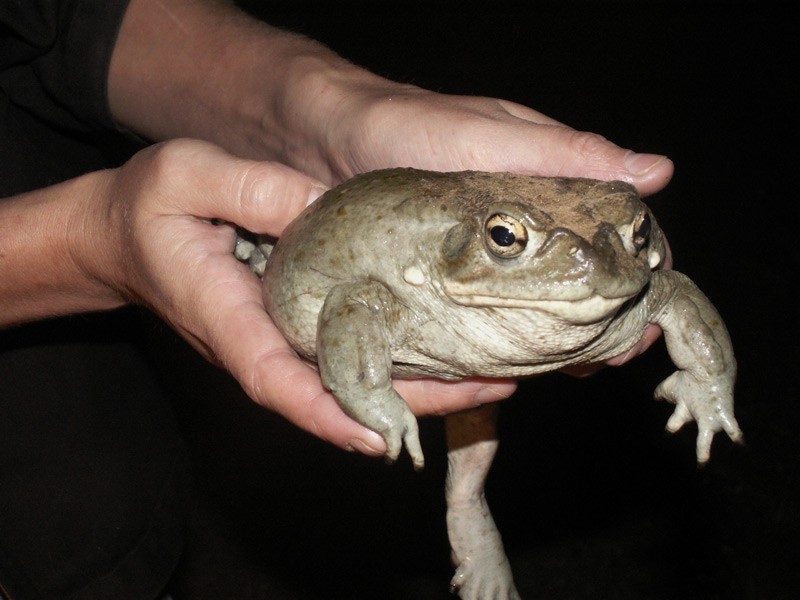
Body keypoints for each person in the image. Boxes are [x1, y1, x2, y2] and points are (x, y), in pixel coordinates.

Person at [0, 0, 674, 597]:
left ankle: (466, 502)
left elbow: (59, 18)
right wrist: (88, 241)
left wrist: (313, 104)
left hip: (95, 478)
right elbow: (360, 303)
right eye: (503, 236)